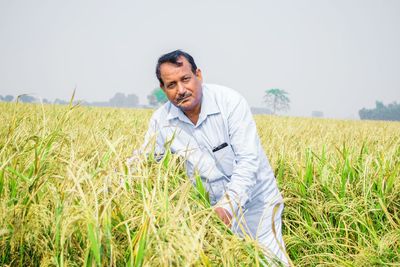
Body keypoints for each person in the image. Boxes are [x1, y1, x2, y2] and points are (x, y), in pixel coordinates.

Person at [137, 50, 289, 265]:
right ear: (163, 88)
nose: (181, 90)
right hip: (210, 215)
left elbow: (248, 161)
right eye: (171, 85)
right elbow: (146, 164)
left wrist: (227, 207)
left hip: (258, 207)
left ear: (198, 75)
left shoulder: (229, 102)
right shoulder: (161, 121)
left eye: (185, 79)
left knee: (271, 262)